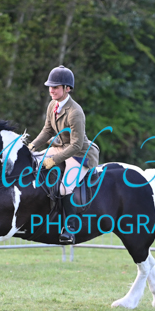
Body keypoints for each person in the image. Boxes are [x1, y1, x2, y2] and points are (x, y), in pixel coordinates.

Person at [28, 65, 100, 244]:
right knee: (34, 163)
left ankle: (69, 229)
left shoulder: (75, 112)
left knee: (65, 187)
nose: (51, 90)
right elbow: (47, 131)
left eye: (55, 87)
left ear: (67, 88)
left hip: (80, 154)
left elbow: (76, 145)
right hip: (61, 147)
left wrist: (53, 160)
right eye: (50, 87)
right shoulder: (52, 105)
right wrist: (32, 146)